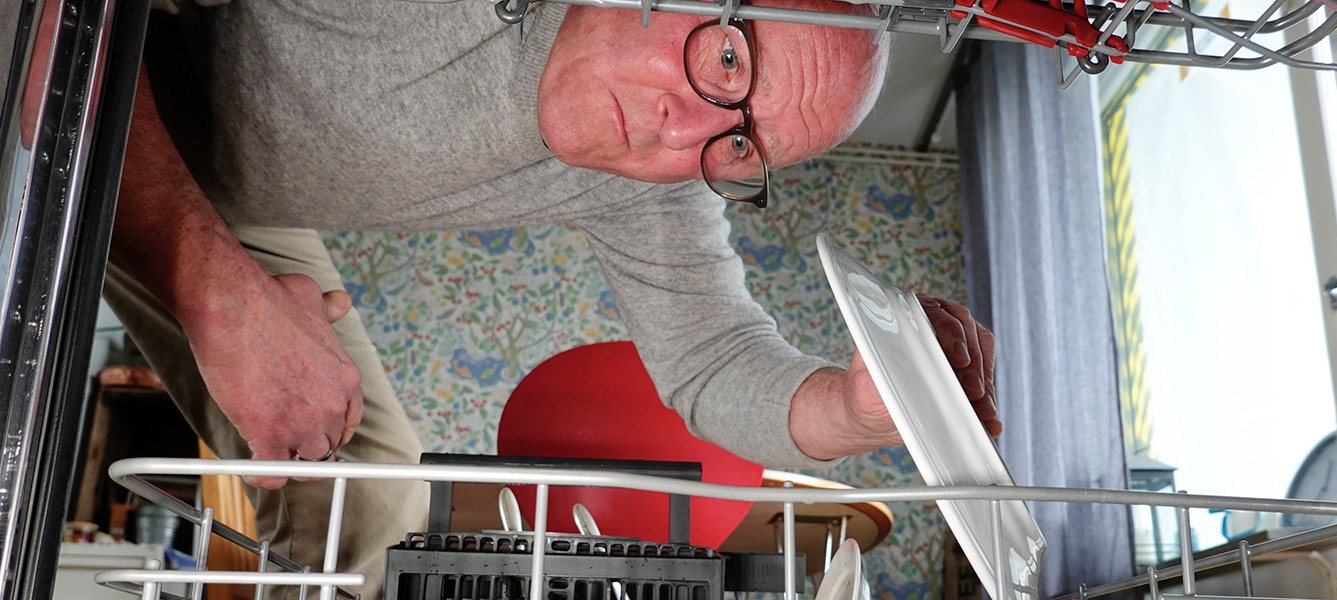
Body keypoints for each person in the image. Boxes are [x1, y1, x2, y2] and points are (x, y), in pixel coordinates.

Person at [108, 0, 1000, 597]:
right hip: (99, 90)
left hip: (225, 197)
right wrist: (219, 293)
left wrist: (858, 407)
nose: (683, 131)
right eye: (729, 59)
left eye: (740, 146)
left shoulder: (655, 175)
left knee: (370, 495)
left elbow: (714, 360)